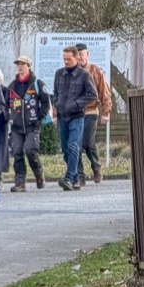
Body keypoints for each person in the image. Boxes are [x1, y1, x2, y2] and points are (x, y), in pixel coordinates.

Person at [51, 46, 98, 191]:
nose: (66, 62)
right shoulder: (59, 74)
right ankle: (77, 178)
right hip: (62, 117)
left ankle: (69, 178)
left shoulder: (84, 75)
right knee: (66, 149)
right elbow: (55, 92)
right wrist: (56, 104)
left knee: (73, 146)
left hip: (77, 116)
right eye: (64, 59)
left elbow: (93, 95)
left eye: (69, 59)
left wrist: (77, 104)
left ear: (76, 58)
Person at [6, 55, 51, 192]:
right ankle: (20, 183)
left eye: (23, 64)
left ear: (28, 67)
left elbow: (45, 102)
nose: (20, 67)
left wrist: (39, 118)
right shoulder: (12, 86)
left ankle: (39, 174)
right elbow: (7, 104)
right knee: (17, 152)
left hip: (32, 125)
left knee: (31, 150)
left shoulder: (37, 83)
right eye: (18, 64)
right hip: (16, 126)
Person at [76, 43, 112, 185]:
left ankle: (96, 168)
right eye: (77, 55)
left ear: (87, 55)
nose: (80, 58)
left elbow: (105, 93)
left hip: (91, 111)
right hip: (76, 113)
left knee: (87, 143)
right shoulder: (72, 73)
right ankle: (80, 175)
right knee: (75, 144)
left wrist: (106, 112)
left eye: (82, 55)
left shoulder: (95, 71)